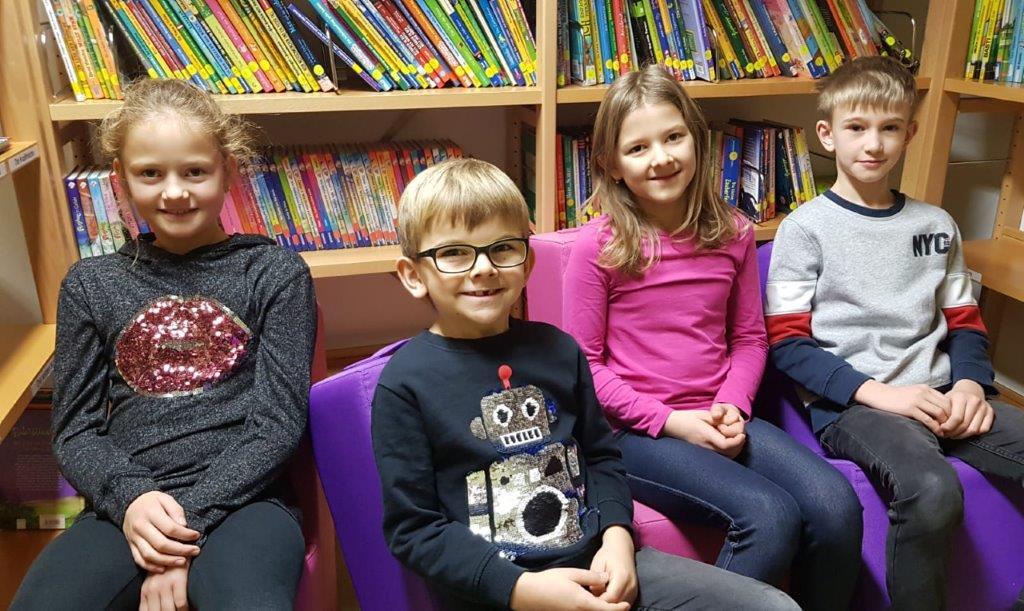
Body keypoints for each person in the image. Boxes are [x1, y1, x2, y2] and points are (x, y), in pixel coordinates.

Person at [372, 157, 799, 610]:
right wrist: (520, 590)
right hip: (502, 593)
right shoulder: (405, 384)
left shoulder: (559, 351)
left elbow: (600, 457)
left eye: (503, 248)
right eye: (454, 253)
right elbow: (415, 529)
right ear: (413, 275)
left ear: (527, 262)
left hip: (603, 565)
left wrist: (617, 538)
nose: (483, 268)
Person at [562, 64, 863, 610]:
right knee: (768, 516)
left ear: (697, 140)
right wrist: (673, 422)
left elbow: (748, 339)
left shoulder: (734, 231)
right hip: (635, 433)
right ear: (610, 164)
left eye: (673, 137)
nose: (661, 158)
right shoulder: (596, 247)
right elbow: (584, 368)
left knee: (835, 504)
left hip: (721, 414)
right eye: (638, 148)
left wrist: (731, 405)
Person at [12, 79, 315, 611]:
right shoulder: (90, 285)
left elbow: (277, 426)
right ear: (121, 180)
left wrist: (179, 534)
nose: (174, 192)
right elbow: (75, 431)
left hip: (247, 501)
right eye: (150, 173)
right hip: (128, 506)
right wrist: (133, 501)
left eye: (194, 171)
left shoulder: (274, 273)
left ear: (228, 171)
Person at [766, 55, 1024, 610]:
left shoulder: (937, 225)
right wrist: (882, 395)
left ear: (909, 134)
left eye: (889, 128)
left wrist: (971, 384)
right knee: (931, 489)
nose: (873, 144)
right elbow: (788, 343)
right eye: (857, 127)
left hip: (943, 393)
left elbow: (964, 322)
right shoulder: (804, 229)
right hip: (858, 406)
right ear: (828, 134)